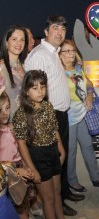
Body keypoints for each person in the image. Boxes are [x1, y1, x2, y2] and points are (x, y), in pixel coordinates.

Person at [24, 15, 84, 216]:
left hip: (59, 114)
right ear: (47, 31)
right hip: (48, 117)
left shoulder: (53, 53)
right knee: (55, 161)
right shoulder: (40, 55)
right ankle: (58, 201)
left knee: (62, 159)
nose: (60, 32)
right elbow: (33, 90)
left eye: (63, 29)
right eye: (55, 28)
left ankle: (63, 194)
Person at [59, 39, 99, 192]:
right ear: (59, 55)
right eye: (66, 51)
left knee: (88, 146)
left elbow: (89, 83)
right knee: (71, 151)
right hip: (68, 118)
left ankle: (96, 178)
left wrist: (89, 95)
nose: (70, 54)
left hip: (82, 115)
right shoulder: (58, 72)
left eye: (72, 50)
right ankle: (72, 181)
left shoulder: (77, 69)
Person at [13, 70, 65, 219]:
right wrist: (32, 169)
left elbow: (54, 128)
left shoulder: (48, 106)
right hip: (37, 156)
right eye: (34, 88)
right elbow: (21, 144)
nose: (40, 91)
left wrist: (61, 149)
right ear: (26, 91)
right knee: (48, 199)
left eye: (42, 87)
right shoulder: (21, 114)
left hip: (52, 151)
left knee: (57, 193)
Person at [0, 90, 36, 219]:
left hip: (20, 166)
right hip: (7, 175)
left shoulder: (12, 127)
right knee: (17, 209)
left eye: (8, 108)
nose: (6, 113)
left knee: (24, 204)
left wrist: (27, 166)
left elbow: (20, 149)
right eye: (0, 110)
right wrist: (16, 170)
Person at [0, 25, 28, 118]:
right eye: (14, 39)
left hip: (26, 121)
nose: (19, 43)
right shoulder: (1, 67)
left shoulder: (23, 66)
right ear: (7, 43)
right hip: (9, 123)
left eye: (22, 40)